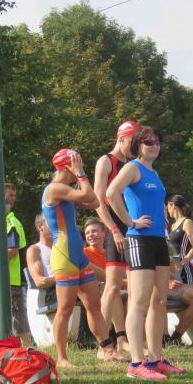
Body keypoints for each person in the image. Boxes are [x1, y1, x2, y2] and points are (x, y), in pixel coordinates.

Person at [108, 125, 187, 381]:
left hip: (158, 241)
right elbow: (110, 193)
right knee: (139, 301)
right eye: (148, 142)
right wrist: (130, 222)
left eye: (157, 142)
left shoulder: (154, 172)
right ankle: (135, 363)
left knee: (159, 300)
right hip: (139, 240)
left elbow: (156, 206)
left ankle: (155, 358)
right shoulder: (133, 168)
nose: (154, 146)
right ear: (137, 145)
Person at [42, 148, 121, 367]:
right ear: (66, 166)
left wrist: (79, 178)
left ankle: (107, 349)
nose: (80, 167)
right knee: (65, 308)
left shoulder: (67, 191)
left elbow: (94, 201)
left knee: (93, 305)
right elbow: (88, 195)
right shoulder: (55, 189)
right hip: (64, 255)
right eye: (76, 163)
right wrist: (80, 173)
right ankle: (62, 358)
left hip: (77, 254)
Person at [93, 121, 137, 355]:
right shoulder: (106, 161)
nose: (136, 146)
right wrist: (113, 229)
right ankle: (103, 343)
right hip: (115, 228)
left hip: (131, 227)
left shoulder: (131, 164)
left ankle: (122, 338)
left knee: (129, 286)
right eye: (132, 141)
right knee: (111, 286)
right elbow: (98, 201)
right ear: (121, 138)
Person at [5, 183, 32, 345]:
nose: (13, 199)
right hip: (10, 279)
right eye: (9, 195)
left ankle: (25, 348)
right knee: (16, 317)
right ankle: (26, 348)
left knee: (14, 317)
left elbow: (12, 250)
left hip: (10, 279)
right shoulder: (5, 221)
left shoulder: (10, 222)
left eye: (14, 196)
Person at [167, 194, 193, 286]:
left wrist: (182, 263)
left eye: (168, 207)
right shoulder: (172, 226)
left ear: (173, 205)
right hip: (172, 269)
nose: (167, 210)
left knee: (189, 293)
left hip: (184, 268)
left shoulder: (187, 222)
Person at [83, 217, 107, 282]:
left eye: (94, 231)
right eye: (87, 233)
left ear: (104, 233)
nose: (90, 235)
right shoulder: (83, 253)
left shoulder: (111, 255)